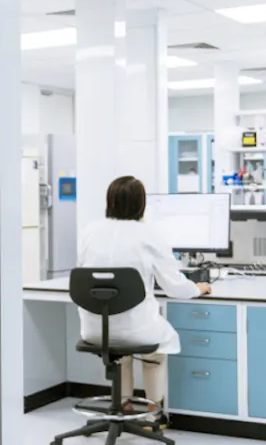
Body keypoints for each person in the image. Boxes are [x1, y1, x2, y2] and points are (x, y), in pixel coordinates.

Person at [76, 175, 211, 427]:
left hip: (94, 330)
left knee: (121, 353)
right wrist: (198, 287)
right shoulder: (149, 234)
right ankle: (154, 415)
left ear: (109, 201)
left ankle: (125, 405)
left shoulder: (90, 232)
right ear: (142, 204)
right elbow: (174, 286)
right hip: (136, 329)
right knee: (155, 351)